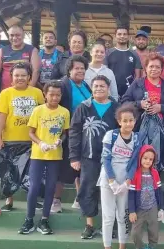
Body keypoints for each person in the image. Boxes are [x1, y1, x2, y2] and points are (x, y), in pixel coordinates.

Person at [69, 75, 120, 239]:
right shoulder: (84, 107)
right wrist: (74, 157)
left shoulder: (116, 108)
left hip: (112, 158)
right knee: (87, 189)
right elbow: (75, 133)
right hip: (88, 157)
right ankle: (89, 225)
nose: (99, 89)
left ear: (108, 88)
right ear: (92, 88)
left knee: (112, 191)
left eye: (102, 86)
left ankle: (111, 225)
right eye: (96, 86)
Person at [19, 81, 70, 235]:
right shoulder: (38, 110)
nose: (54, 97)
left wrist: (60, 140)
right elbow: (31, 132)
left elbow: (65, 132)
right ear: (45, 95)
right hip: (38, 154)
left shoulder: (64, 112)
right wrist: (40, 143)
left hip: (55, 155)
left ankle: (44, 220)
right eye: (51, 94)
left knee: (50, 188)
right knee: (34, 187)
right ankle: (29, 219)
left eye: (58, 95)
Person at [0, 62, 45, 211]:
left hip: (32, 140)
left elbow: (42, 115)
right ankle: (9, 201)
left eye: (23, 75)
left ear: (29, 77)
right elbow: (1, 117)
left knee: (31, 173)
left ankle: (33, 199)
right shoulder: (6, 93)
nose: (20, 78)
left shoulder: (36, 92)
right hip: (10, 139)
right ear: (11, 77)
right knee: (9, 171)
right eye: (17, 75)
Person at [100, 103, 148, 249]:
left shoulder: (138, 138)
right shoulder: (111, 135)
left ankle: (122, 246)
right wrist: (111, 180)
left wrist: (128, 181)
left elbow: (135, 162)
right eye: (125, 121)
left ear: (135, 121)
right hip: (108, 179)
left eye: (131, 120)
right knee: (108, 217)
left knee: (122, 216)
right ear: (119, 121)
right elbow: (106, 159)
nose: (128, 123)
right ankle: (107, 247)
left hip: (126, 180)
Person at [120, 54, 164, 169]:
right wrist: (139, 104)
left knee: (156, 160)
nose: (154, 69)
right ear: (146, 68)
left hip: (162, 131)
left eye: (157, 67)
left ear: (162, 69)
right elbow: (125, 101)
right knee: (139, 159)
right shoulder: (137, 84)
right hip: (139, 128)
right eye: (151, 66)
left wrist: (161, 107)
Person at [52, 55, 92, 213]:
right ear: (69, 70)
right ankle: (56, 200)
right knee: (63, 167)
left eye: (83, 68)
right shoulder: (63, 85)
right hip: (67, 133)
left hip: (85, 133)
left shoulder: (86, 86)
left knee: (80, 167)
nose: (80, 71)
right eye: (77, 68)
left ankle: (79, 198)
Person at [128, 145, 164, 249]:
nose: (148, 161)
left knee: (154, 231)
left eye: (151, 159)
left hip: (152, 207)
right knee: (135, 233)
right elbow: (131, 193)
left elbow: (159, 191)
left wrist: (161, 208)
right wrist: (132, 211)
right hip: (139, 209)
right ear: (140, 158)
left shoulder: (155, 173)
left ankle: (152, 247)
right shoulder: (135, 173)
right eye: (145, 158)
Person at [0, 25, 40, 93]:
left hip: (26, 92)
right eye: (12, 35)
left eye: (18, 35)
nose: (14, 38)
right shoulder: (1, 51)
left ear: (23, 35)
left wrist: (29, 90)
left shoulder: (32, 50)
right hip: (6, 92)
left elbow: (36, 71)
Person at [106, 27, 143, 96]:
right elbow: (103, 73)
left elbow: (138, 76)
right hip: (110, 92)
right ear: (115, 36)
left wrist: (131, 91)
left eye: (124, 34)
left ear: (128, 37)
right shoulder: (108, 53)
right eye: (119, 34)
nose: (122, 36)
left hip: (128, 93)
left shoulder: (134, 54)